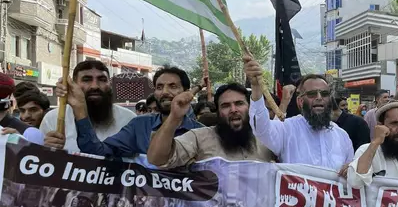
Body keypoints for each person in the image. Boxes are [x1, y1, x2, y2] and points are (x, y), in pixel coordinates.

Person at [59, 66, 202, 157]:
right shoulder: (139, 126)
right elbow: (98, 153)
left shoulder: (201, 133)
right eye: (159, 87)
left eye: (173, 86)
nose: (165, 92)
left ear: (186, 92)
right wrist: (80, 109)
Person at [245, 56, 353, 171]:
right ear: (300, 101)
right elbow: (261, 128)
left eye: (324, 94)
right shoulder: (287, 129)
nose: (319, 98)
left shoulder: (342, 136)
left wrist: (351, 169)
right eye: (312, 94)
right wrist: (256, 87)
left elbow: (352, 175)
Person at [148, 82, 274, 168]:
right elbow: (157, 159)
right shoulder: (199, 137)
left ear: (249, 107)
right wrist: (174, 117)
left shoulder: (269, 138)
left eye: (239, 103)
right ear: (218, 112)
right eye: (225, 106)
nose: (233, 109)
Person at [40, 60, 135, 151]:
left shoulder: (129, 119)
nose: (95, 86)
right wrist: (48, 150)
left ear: (109, 84)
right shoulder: (52, 119)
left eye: (102, 80)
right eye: (87, 80)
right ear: (73, 85)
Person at [0, 73, 44, 144]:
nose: (26, 116)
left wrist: (22, 145)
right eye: (21, 110)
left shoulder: (31, 134)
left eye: (33, 110)